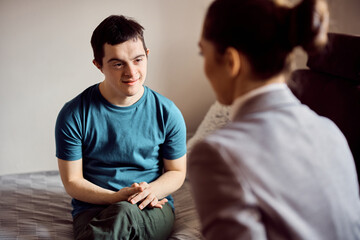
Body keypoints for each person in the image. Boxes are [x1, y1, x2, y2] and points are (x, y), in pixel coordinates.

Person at [189, 0, 360, 239]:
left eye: (202, 52)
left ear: (231, 62)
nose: (204, 65)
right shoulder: (331, 131)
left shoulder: (217, 154)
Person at [55, 15, 187, 240]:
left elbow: (176, 171)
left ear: (147, 55)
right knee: (120, 215)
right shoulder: (74, 114)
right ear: (98, 65)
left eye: (138, 60)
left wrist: (148, 192)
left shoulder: (167, 112)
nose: (131, 72)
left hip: (152, 204)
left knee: (124, 214)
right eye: (118, 64)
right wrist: (116, 197)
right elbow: (73, 182)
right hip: (94, 207)